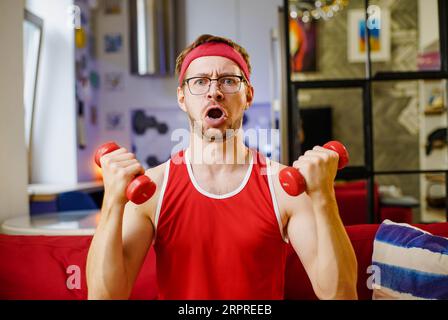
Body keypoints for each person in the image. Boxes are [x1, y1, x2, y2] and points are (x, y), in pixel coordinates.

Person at [86, 34, 358, 300]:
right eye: (200, 82)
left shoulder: (281, 187)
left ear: (248, 95)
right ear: (182, 97)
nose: (214, 91)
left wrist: (324, 196)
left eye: (228, 81)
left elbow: (340, 294)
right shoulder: (153, 189)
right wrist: (112, 200)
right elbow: (105, 295)